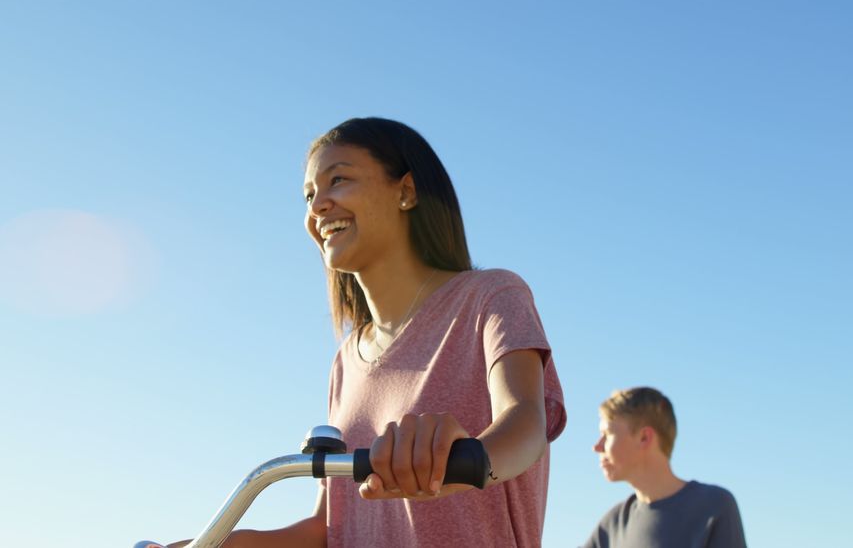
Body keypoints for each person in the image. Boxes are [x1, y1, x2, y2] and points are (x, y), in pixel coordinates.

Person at [167, 117, 566, 547]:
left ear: (406, 191)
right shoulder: (345, 362)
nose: (317, 206)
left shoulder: (492, 296)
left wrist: (468, 461)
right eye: (308, 196)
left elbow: (525, 425)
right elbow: (330, 527)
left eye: (337, 180)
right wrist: (216, 543)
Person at [583, 387, 745, 548]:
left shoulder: (714, 505)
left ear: (644, 437)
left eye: (607, 434)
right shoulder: (611, 525)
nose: (597, 446)